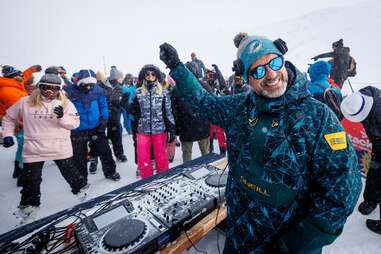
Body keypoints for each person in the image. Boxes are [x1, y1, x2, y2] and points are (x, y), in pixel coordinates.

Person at [159, 33, 361, 253]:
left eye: (274, 62)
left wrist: (298, 243)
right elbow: (204, 103)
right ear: (247, 78)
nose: (271, 74)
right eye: (259, 70)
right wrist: (177, 67)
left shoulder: (318, 117)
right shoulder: (240, 107)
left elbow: (342, 191)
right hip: (239, 239)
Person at [2, 72, 88, 219]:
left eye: (53, 88)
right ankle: (29, 209)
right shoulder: (25, 102)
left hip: (59, 147)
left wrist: (62, 117)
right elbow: (9, 118)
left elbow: (74, 123)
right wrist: (7, 135)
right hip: (34, 150)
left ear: (59, 89)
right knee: (31, 182)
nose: (49, 91)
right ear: (39, 87)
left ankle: (84, 195)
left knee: (72, 174)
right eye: (45, 87)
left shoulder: (65, 103)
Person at [65, 69, 120, 181]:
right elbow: (65, 108)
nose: (89, 87)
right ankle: (81, 179)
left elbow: (103, 106)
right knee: (79, 156)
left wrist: (104, 119)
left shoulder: (98, 91)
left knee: (105, 151)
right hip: (78, 129)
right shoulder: (71, 92)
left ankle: (110, 171)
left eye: (91, 84)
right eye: (86, 84)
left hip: (96, 127)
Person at [340, 86, 381, 234]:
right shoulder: (361, 96)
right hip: (378, 144)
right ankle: (371, 200)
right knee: (375, 171)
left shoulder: (379, 114)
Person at [127, 64, 175, 179]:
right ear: (144, 76)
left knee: (161, 158)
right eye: (147, 74)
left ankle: (163, 180)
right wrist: (127, 106)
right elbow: (133, 112)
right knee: (143, 160)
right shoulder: (138, 92)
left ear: (156, 76)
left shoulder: (163, 93)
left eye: (153, 74)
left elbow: (168, 113)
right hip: (142, 131)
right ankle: (147, 181)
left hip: (159, 130)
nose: (150, 76)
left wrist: (172, 129)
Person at [0, 64, 41, 185]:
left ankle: (17, 169)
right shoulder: (8, 91)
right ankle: (24, 175)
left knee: (21, 146)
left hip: (23, 123)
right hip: (22, 124)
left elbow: (25, 75)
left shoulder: (13, 84)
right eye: (19, 75)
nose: (22, 77)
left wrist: (32, 69)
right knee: (27, 149)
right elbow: (17, 111)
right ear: (13, 77)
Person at [105, 66, 128, 162]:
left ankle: (119, 154)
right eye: (121, 77)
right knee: (103, 139)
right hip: (105, 116)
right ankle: (103, 159)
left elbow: (121, 103)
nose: (122, 79)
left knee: (117, 136)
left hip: (115, 116)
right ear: (117, 78)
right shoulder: (104, 86)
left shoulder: (120, 88)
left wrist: (123, 103)